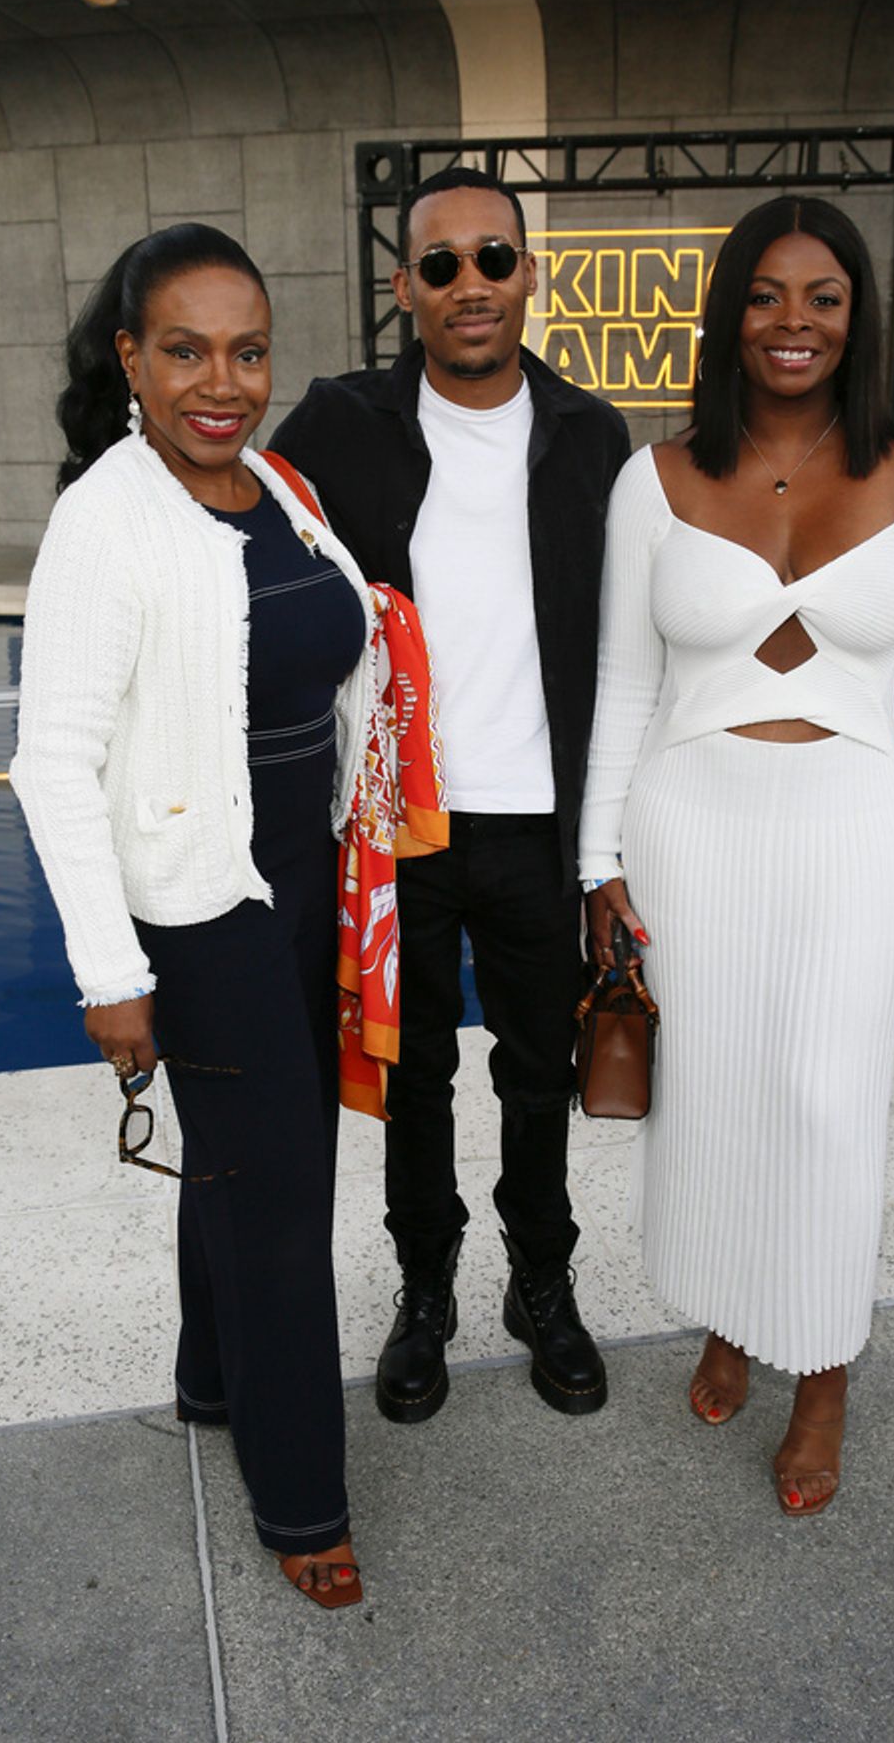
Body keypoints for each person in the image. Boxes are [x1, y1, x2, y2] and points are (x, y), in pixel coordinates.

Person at [579, 196, 894, 1515]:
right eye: (766, 294)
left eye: (823, 295)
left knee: (825, 1101)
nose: (795, 321)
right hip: (687, 825)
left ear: (860, 314)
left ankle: (821, 1373)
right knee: (708, 1094)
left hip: (852, 829)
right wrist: (600, 861)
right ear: (729, 316)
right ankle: (730, 1311)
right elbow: (620, 679)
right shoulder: (652, 481)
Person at [10, 224, 373, 1607]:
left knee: (242, 1168)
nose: (221, 381)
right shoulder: (107, 521)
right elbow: (54, 762)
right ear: (130, 359)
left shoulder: (272, 481)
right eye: (185, 350)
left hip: (303, 883)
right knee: (283, 1204)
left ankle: (212, 1382)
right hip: (203, 911)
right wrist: (111, 973)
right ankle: (304, 1507)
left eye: (246, 350)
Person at [272, 167, 630, 1423]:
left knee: (539, 1076)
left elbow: (629, 651)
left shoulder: (592, 436)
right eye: (441, 266)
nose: (469, 284)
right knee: (411, 1078)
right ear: (403, 287)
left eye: (493, 258)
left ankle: (543, 1281)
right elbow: (238, 535)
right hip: (398, 830)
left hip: (540, 828)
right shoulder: (339, 422)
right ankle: (427, 1291)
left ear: (529, 273)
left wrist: (610, 853)